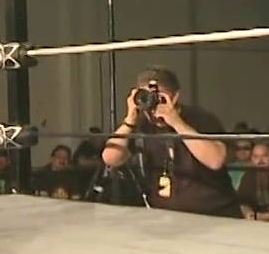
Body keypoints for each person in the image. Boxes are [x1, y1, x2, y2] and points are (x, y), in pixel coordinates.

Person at [101, 66, 240, 218]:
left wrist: (176, 122)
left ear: (174, 97)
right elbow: (110, 158)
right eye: (146, 96)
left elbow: (215, 160)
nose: (152, 103)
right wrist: (129, 120)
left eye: (159, 97)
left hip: (213, 213)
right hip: (166, 217)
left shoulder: (200, 118)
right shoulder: (141, 125)